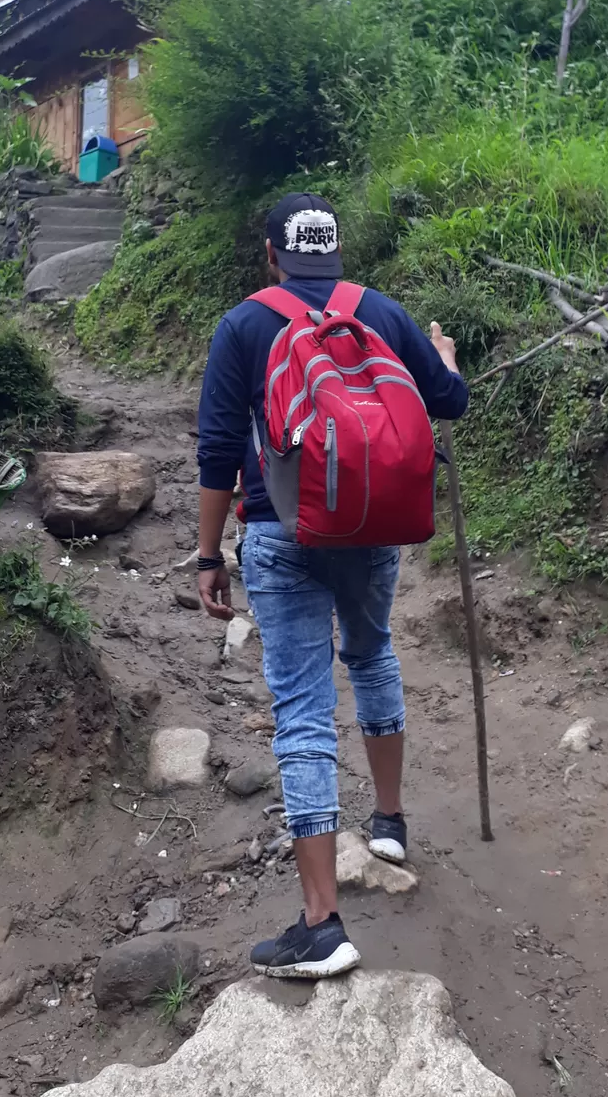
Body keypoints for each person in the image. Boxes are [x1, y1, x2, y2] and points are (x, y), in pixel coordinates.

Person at [196, 192, 468, 979]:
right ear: (335, 255)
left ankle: (321, 925)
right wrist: (442, 357)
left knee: (303, 712)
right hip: (372, 529)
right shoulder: (378, 310)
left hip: (279, 532)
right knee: (373, 653)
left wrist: (210, 555)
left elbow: (219, 452)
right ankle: (388, 824)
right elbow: (448, 400)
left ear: (272, 256)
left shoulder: (245, 324)